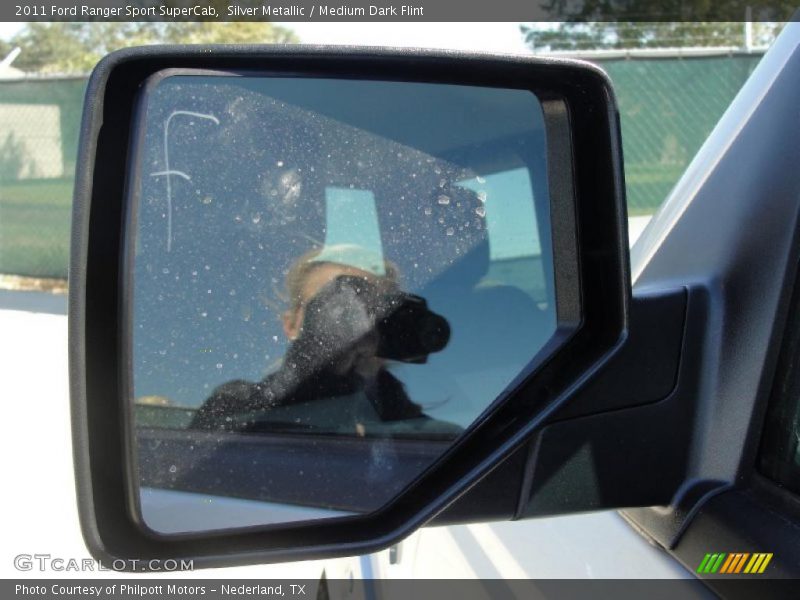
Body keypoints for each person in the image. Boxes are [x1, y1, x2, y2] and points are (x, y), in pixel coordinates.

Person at [191, 244, 454, 434]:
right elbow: (193, 466)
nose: (359, 323)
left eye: (377, 309)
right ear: (291, 324)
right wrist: (312, 376)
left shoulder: (429, 435)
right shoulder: (235, 404)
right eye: (334, 306)